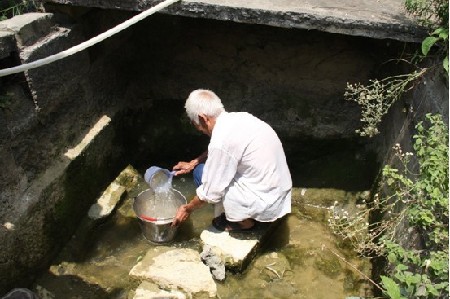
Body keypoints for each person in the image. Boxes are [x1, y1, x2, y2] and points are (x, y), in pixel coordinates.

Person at [172, 89, 292, 231]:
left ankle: (244, 222)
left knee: (202, 175)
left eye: (196, 124)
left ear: (203, 118)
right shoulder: (240, 118)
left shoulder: (221, 140)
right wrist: (194, 162)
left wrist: (187, 209)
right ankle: (243, 214)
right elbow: (224, 149)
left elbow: (210, 192)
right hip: (279, 195)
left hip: (264, 205)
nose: (200, 130)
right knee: (201, 169)